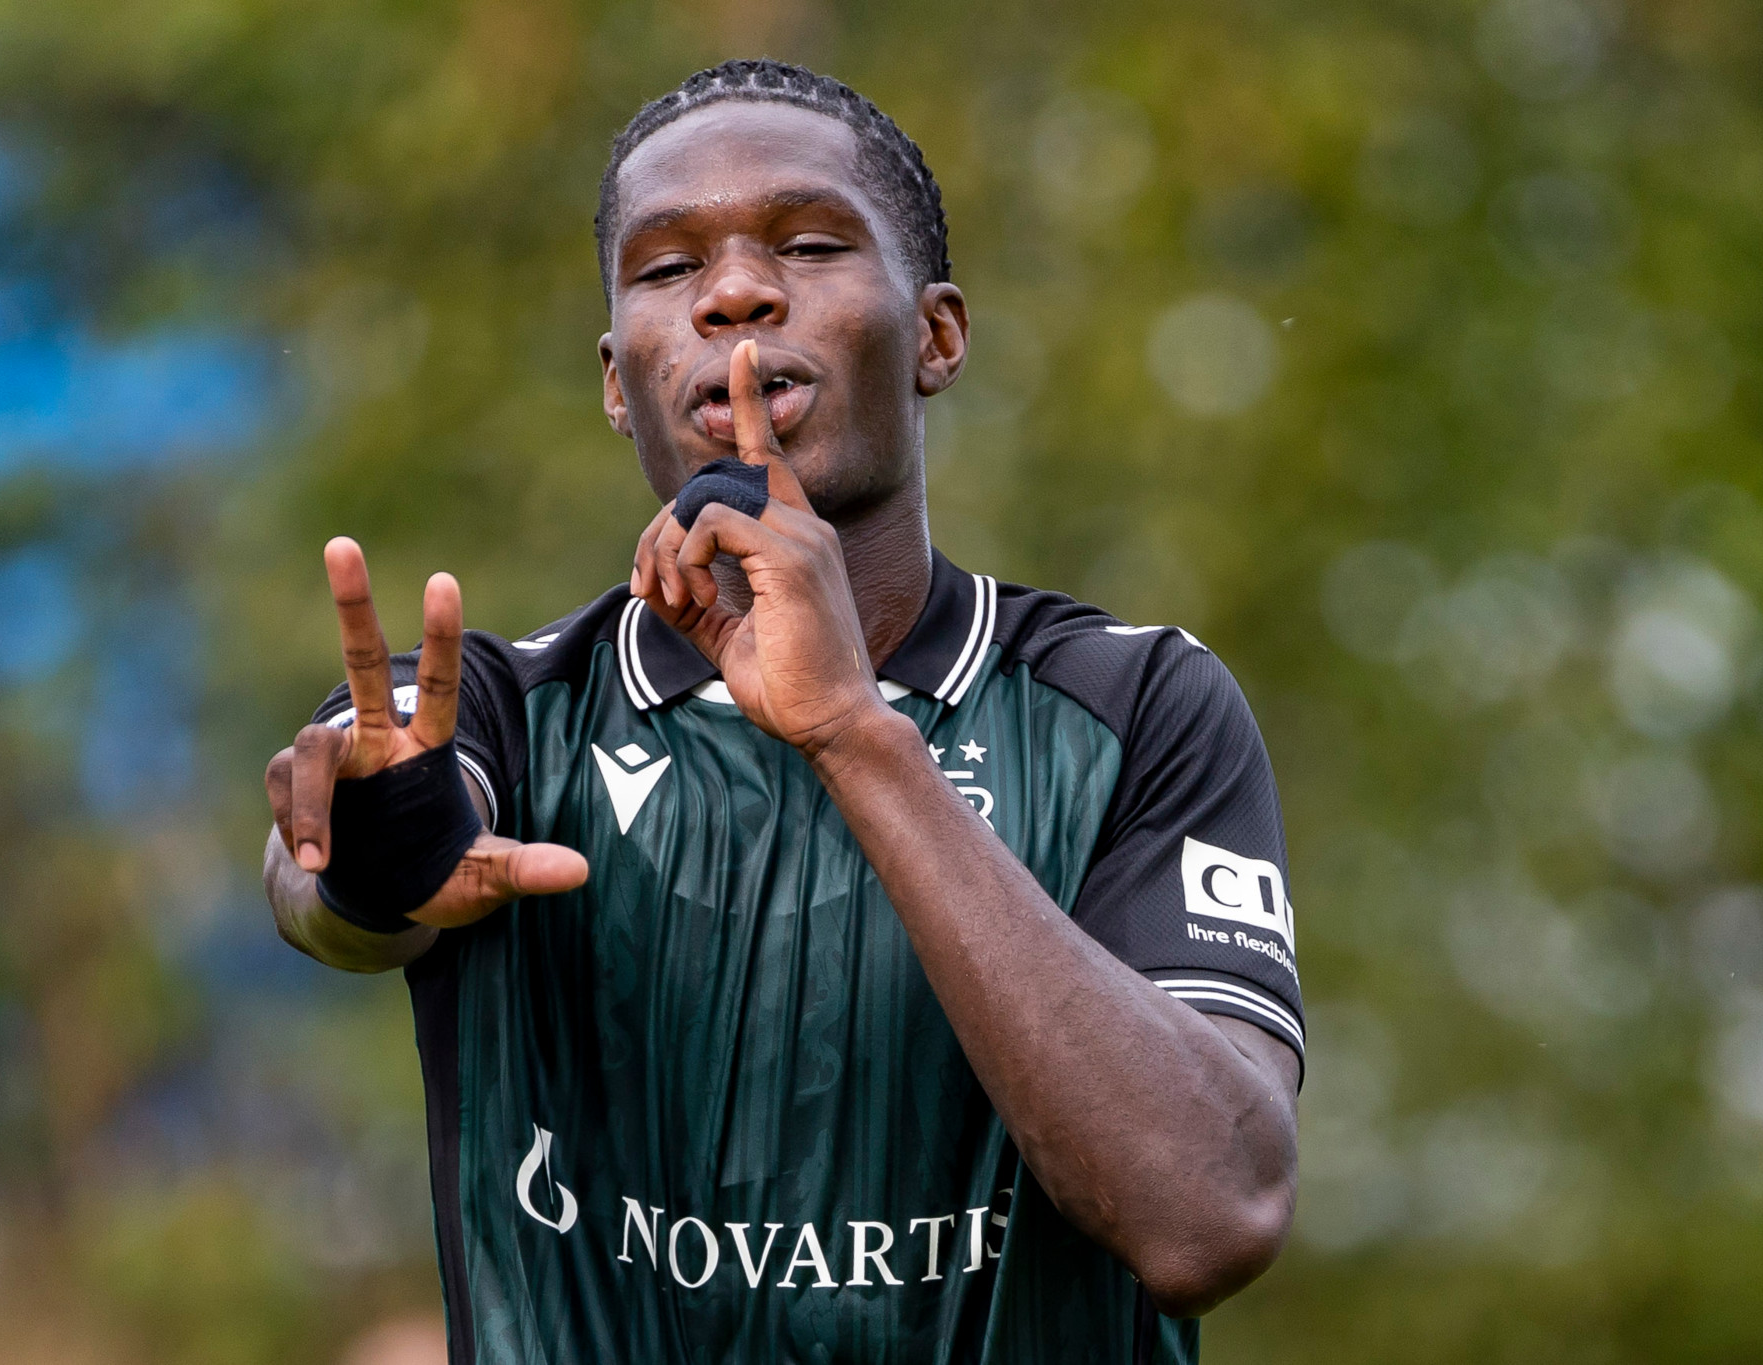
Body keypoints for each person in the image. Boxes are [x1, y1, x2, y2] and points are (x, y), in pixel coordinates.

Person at [263, 58, 1301, 1364]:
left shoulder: (1135, 705)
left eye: (809, 244)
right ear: (613, 377)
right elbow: (335, 889)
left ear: (937, 335)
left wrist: (857, 735)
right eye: (664, 268)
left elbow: (1210, 1215)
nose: (736, 293)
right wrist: (373, 846)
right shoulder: (508, 717)